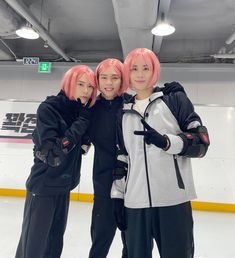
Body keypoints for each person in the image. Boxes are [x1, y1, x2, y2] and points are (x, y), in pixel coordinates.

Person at [111, 48, 210, 258]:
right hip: (135, 203)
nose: (139, 74)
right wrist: (118, 197)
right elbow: (122, 159)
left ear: (154, 70)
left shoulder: (174, 101)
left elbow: (201, 142)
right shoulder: (122, 111)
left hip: (172, 200)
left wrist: (166, 142)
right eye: (134, 68)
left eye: (145, 68)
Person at [87, 58, 187, 258]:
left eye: (114, 77)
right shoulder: (90, 109)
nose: (109, 83)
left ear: (122, 79)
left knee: (134, 245)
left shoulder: (130, 105)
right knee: (100, 240)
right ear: (97, 79)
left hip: (134, 186)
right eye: (104, 77)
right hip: (103, 184)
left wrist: (170, 93)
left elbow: (151, 101)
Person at [15, 64, 97, 258]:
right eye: (81, 84)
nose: (86, 91)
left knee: (53, 245)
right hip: (44, 187)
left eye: (91, 86)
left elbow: (80, 147)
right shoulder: (50, 109)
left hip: (63, 186)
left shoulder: (79, 111)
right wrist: (81, 125)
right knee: (33, 247)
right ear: (69, 83)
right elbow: (53, 155)